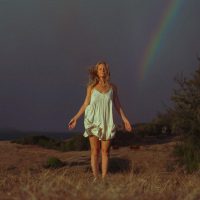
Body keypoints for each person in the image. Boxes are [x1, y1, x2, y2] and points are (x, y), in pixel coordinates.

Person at [68, 60, 133, 182]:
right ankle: (95, 178)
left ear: (107, 71)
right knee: (95, 151)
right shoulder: (91, 87)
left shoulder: (113, 87)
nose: (102, 70)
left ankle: (103, 179)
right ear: (97, 72)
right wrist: (75, 118)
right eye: (100, 69)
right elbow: (85, 103)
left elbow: (117, 105)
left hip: (107, 121)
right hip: (92, 120)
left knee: (105, 151)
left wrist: (125, 120)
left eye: (104, 68)